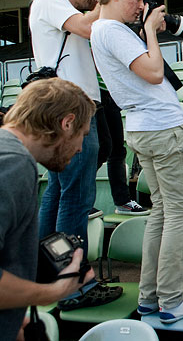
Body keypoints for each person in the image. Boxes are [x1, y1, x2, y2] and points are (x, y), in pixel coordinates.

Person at [90, 0, 183, 324]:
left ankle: (151, 296)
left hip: (144, 128)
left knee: (161, 212)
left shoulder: (103, 30)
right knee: (179, 213)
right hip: (161, 128)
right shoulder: (112, 30)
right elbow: (154, 72)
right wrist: (148, 31)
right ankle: (173, 300)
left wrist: (144, 30)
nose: (140, 5)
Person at [29, 0, 119, 309]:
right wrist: (109, 0)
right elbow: (84, 27)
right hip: (70, 109)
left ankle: (45, 270)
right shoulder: (50, 0)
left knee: (60, 192)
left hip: (78, 107)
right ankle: (75, 283)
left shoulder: (64, 9)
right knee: (76, 196)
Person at [0, 79, 97, 340]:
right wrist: (56, 292)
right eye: (82, 136)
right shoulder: (13, 164)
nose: (79, 149)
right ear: (67, 123)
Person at [95, 83, 149, 215]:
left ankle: (123, 201)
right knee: (101, 150)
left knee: (117, 150)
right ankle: (82, 201)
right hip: (92, 95)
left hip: (109, 93)